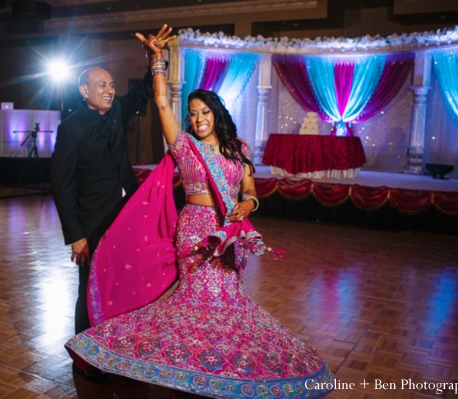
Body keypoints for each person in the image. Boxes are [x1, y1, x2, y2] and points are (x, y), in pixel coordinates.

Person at [64, 26, 335, 398]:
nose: (197, 119)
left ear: (216, 112)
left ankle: (220, 360)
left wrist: (248, 203)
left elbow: (250, 188)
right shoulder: (184, 146)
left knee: (227, 300)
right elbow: (160, 102)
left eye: (203, 112)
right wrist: (157, 60)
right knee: (197, 300)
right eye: (192, 114)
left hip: (229, 233)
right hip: (195, 233)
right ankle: (190, 364)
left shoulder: (239, 148)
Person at [51, 24, 176, 384]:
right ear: (84, 90)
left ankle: (116, 350)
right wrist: (76, 235)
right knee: (87, 288)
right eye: (101, 85)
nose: (109, 90)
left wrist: (155, 58)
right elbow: (61, 185)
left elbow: (145, 93)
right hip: (92, 222)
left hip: (125, 216)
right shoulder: (71, 128)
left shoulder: (119, 109)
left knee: (120, 282)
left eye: (110, 85)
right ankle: (85, 360)